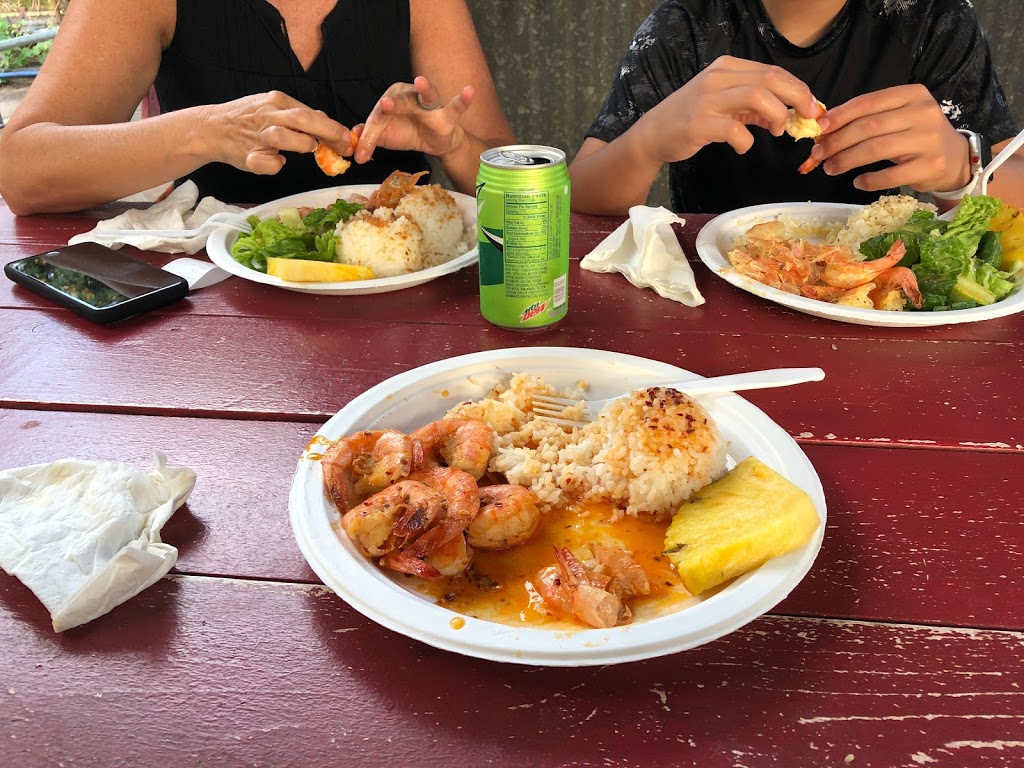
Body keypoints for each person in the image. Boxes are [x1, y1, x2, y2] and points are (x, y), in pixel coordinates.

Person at [0, 0, 516, 215]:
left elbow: (516, 186)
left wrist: (456, 146)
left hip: (409, 303)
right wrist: (208, 131)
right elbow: (21, 170)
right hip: (210, 325)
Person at [569, 0, 1024, 215]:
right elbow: (575, 202)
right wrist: (646, 143)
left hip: (880, 305)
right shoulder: (684, 26)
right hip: (707, 297)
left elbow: (1014, 177)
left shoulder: (932, 20)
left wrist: (963, 173)